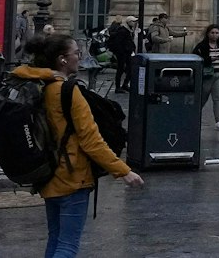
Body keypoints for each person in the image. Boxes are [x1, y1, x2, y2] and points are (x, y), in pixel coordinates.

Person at [12, 32, 143, 258]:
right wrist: (123, 171)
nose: (79, 56)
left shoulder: (41, 84)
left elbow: (18, 70)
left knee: (56, 239)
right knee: (68, 246)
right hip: (73, 177)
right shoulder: (68, 91)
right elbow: (91, 141)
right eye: (76, 53)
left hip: (49, 174)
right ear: (63, 59)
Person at [191, 24, 219, 131]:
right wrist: (211, 59)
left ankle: (218, 121)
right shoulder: (202, 46)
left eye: (217, 33)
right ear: (208, 34)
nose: (215, 35)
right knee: (202, 98)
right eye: (212, 33)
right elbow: (195, 58)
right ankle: (193, 117)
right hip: (207, 76)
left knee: (218, 98)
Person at [106, 17, 136, 94]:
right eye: (133, 21)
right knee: (120, 69)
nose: (134, 23)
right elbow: (119, 43)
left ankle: (125, 84)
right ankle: (118, 87)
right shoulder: (123, 31)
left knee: (129, 69)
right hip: (122, 54)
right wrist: (122, 52)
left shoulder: (129, 30)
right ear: (129, 22)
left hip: (127, 53)